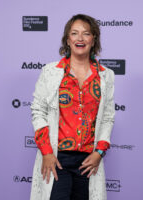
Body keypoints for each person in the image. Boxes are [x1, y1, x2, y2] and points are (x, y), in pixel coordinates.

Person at [30, 14, 115, 200]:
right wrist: (47, 152)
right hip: (57, 159)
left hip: (88, 162)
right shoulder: (51, 72)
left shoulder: (106, 76)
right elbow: (38, 111)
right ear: (67, 40)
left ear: (94, 40)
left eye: (86, 34)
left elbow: (108, 117)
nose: (80, 38)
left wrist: (99, 152)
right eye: (74, 33)